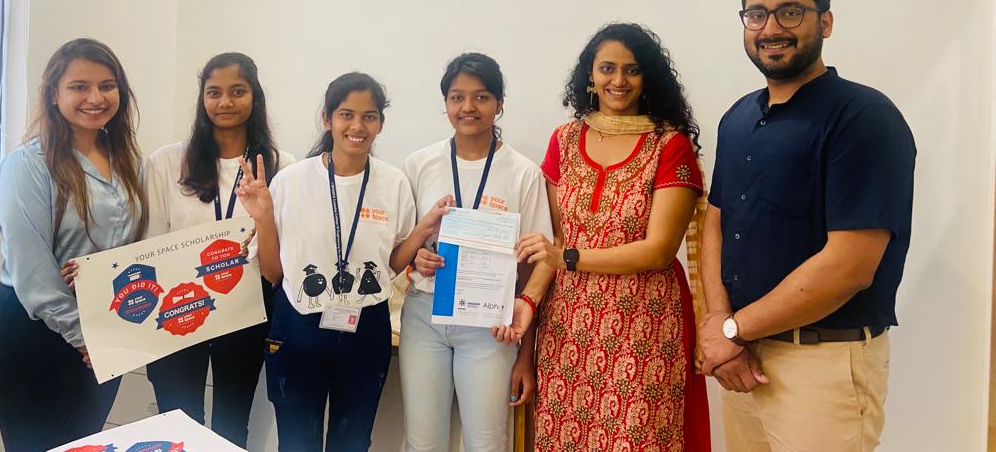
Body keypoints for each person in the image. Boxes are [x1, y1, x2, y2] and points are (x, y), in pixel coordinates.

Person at [698, 0, 915, 452]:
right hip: (743, 360)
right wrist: (718, 323)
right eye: (757, 14)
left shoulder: (864, 118)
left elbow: (850, 265)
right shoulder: (737, 118)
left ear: (826, 21)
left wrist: (731, 328)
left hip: (822, 366)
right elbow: (716, 222)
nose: (771, 27)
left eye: (790, 12)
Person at [502, 23, 711, 452]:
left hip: (644, 324)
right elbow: (554, 240)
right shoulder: (564, 140)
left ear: (647, 77)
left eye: (632, 70)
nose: (619, 81)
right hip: (569, 326)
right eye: (608, 69)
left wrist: (569, 258)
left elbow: (657, 250)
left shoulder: (668, 146)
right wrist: (528, 304)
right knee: (566, 436)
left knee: (639, 437)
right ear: (591, 77)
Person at [235, 72, 451, 452]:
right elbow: (273, 272)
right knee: (297, 443)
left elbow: (390, 265)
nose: (357, 126)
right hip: (298, 326)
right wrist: (263, 218)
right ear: (327, 119)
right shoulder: (292, 180)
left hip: (366, 327)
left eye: (369, 116)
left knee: (352, 442)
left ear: (380, 123)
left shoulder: (393, 183)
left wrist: (423, 229)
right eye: (346, 114)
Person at [0, 38, 148, 452]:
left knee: (88, 442)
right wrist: (85, 337)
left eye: (107, 85)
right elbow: (33, 272)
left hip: (104, 326)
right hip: (35, 333)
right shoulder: (28, 166)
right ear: (54, 94)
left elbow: (130, 246)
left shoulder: (125, 159)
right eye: (80, 86)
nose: (95, 97)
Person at [400, 52, 553, 452]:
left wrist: (525, 336)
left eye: (481, 97)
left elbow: (542, 262)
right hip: (424, 316)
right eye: (456, 97)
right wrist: (417, 256)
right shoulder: (419, 165)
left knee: (486, 443)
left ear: (500, 104)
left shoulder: (523, 172)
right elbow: (401, 248)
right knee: (422, 442)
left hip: (490, 327)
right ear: (446, 103)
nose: (468, 107)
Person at [142, 52, 296, 447]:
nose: (225, 102)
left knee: (232, 421)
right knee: (177, 421)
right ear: (202, 99)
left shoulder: (280, 165)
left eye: (237, 91)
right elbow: (150, 243)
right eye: (214, 92)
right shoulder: (166, 161)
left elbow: (277, 264)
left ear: (254, 97)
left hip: (246, 306)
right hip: (177, 303)